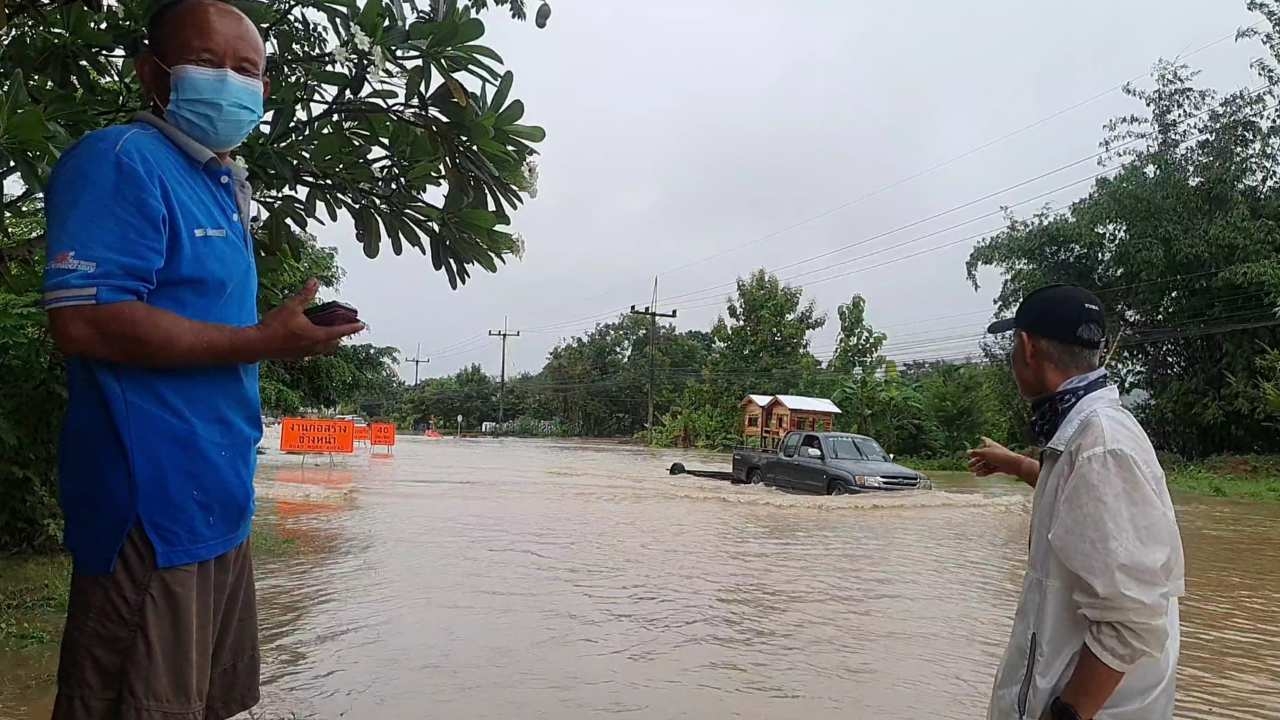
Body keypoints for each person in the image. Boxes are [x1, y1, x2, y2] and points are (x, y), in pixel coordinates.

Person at [41, 0, 364, 717]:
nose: (230, 81)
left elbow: (205, 334)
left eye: (246, 70)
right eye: (209, 63)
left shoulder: (218, 182)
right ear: (152, 73)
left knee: (201, 704)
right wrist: (259, 341)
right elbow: (86, 323)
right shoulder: (122, 160)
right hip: (147, 505)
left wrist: (279, 341)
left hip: (218, 502)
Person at [969, 285, 1184, 720]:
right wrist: (1016, 465)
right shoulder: (1085, 434)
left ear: (1027, 348)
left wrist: (1068, 714)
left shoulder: (1101, 446)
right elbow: (1076, 504)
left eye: (1013, 344)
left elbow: (1131, 619)